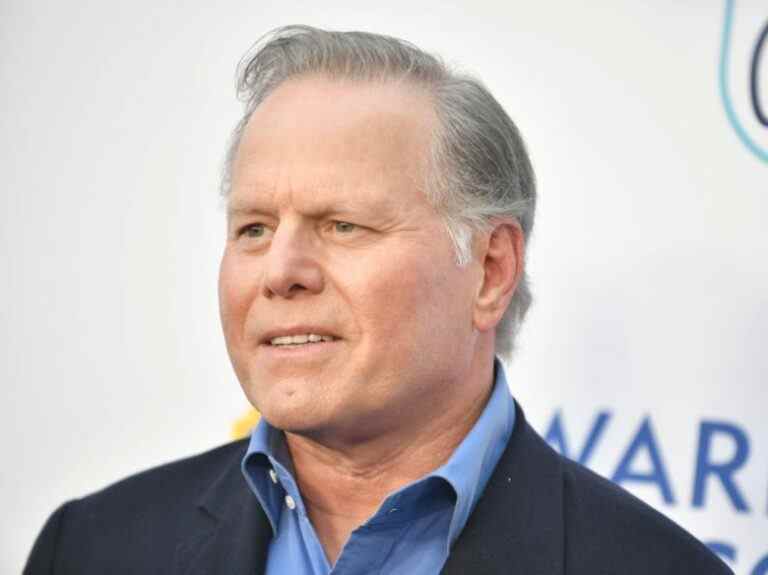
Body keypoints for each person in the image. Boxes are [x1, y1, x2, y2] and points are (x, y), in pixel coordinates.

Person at [24, 26, 732, 574]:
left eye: (342, 226)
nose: (282, 271)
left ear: (489, 270)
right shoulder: (91, 546)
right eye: (254, 228)